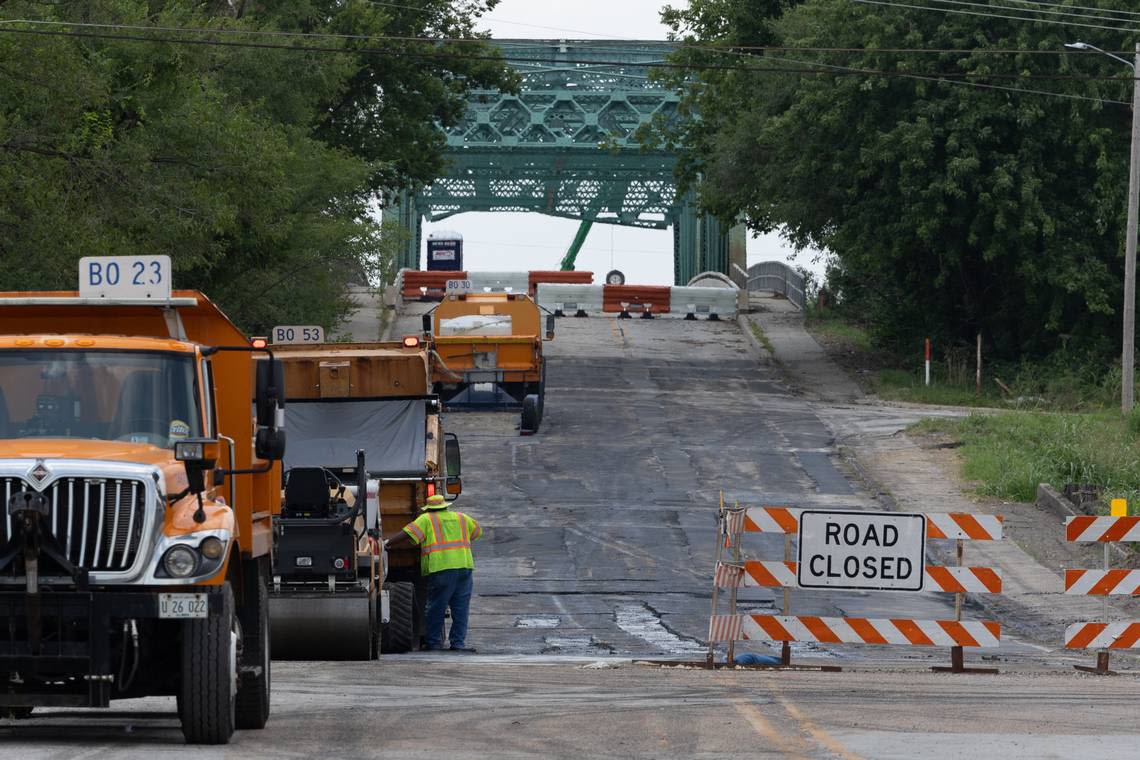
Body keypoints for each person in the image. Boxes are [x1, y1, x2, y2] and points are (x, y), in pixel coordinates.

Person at [386, 494, 483, 652]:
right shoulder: (462, 517)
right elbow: (477, 533)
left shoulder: (427, 519)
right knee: (461, 607)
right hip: (464, 567)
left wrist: (387, 544)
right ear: (445, 506)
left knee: (436, 607)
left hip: (441, 568)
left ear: (429, 508)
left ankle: (433, 643)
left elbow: (407, 533)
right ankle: (458, 643)